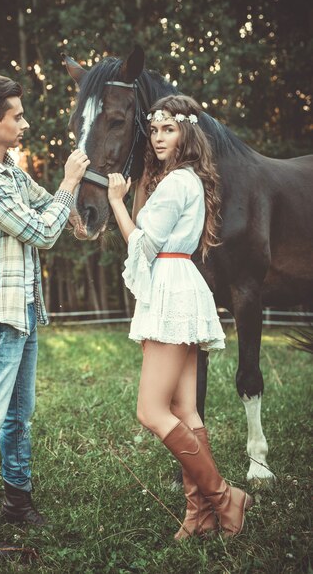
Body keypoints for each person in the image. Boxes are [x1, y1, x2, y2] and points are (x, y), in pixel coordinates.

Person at [107, 94, 253, 539]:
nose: (157, 137)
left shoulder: (174, 183)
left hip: (171, 285)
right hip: (182, 280)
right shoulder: (189, 179)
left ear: (187, 132)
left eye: (168, 128)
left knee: (151, 411)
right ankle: (200, 513)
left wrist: (117, 200)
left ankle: (226, 497)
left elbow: (142, 243)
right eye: (154, 130)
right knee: (184, 407)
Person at [0, 74, 89, 551]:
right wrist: (70, 183)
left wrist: (75, 210)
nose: (25, 123)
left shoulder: (10, 170)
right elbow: (41, 232)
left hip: (26, 309)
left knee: (19, 416)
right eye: (17, 115)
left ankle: (18, 501)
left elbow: (46, 205)